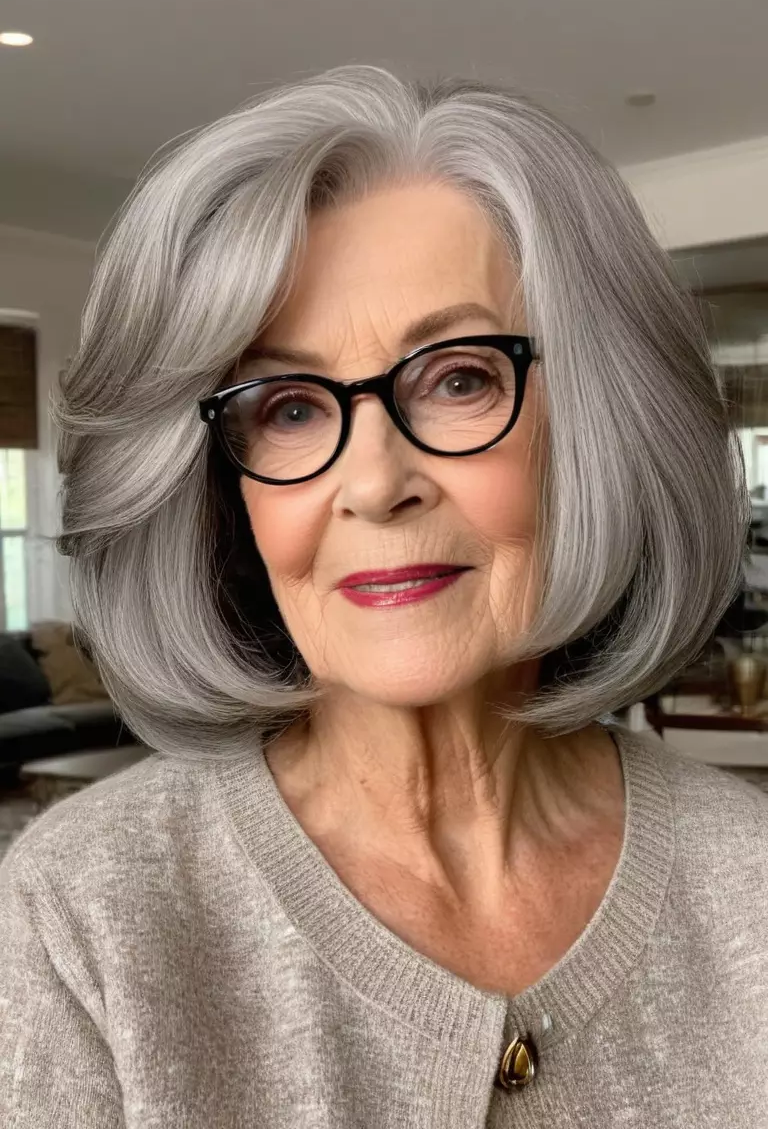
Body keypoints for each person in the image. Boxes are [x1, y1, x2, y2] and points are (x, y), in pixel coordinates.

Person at [1, 65, 766, 1128]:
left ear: (597, 429)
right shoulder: (82, 915)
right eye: (288, 409)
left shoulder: (752, 884)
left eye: (459, 378)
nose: (372, 483)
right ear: (224, 492)